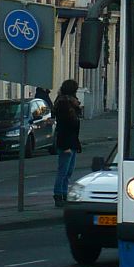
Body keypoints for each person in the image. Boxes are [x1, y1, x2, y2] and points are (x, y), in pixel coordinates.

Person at [53, 80, 82, 208]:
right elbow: (63, 127)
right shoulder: (64, 104)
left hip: (72, 141)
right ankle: (59, 195)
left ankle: (63, 194)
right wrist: (65, 146)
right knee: (63, 171)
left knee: (68, 171)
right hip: (66, 142)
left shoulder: (70, 103)